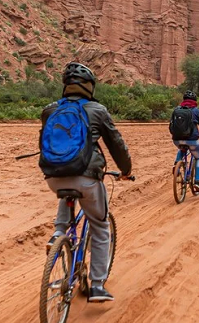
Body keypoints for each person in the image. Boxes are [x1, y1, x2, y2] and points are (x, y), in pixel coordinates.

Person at [41, 62, 132, 303]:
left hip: (53, 176)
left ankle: (58, 234)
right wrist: (125, 170)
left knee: (67, 190)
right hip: (87, 177)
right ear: (89, 86)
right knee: (101, 227)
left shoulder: (50, 110)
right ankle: (98, 285)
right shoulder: (97, 110)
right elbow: (116, 144)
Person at [169, 91, 199, 193]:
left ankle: (176, 164)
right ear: (195, 101)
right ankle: (197, 182)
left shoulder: (176, 110)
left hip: (177, 140)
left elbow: (171, 125)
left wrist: (175, 136)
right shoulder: (197, 111)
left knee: (182, 147)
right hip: (193, 141)